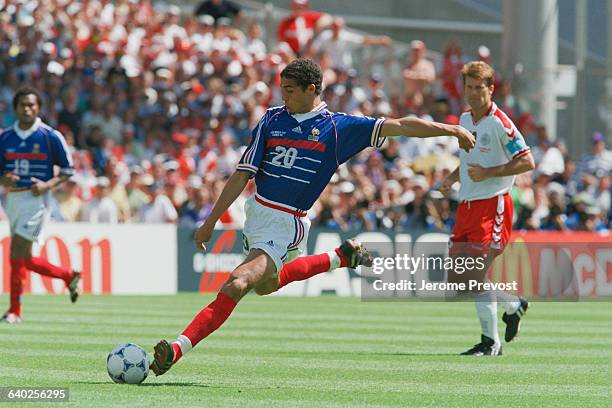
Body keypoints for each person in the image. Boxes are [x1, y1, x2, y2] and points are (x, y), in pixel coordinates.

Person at [149, 58, 476, 375]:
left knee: (237, 282)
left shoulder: (338, 128)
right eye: (282, 88)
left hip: (285, 223)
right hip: (256, 214)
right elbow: (241, 174)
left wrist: (451, 130)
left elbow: (401, 125)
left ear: (311, 89)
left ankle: (177, 349)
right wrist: (211, 221)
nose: (284, 95)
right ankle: (339, 258)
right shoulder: (271, 119)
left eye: (290, 89)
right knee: (265, 286)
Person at [439, 61, 535, 355]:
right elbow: (469, 161)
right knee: (460, 279)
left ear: (491, 89)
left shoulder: (500, 123)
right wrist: (452, 178)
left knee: (474, 274)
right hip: (466, 206)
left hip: (492, 204)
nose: (473, 93)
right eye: (469, 87)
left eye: (479, 87)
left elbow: (527, 161)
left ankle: (490, 342)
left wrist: (491, 174)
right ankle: (512, 304)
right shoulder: (466, 120)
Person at [0, 86, 80, 324]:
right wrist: (3, 179)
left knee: (16, 252)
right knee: (23, 258)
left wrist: (47, 185)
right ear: (15, 108)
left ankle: (15, 311)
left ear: (38, 108)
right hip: (13, 199)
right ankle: (68, 275)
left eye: (32, 105)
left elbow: (68, 171)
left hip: (37, 201)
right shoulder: (5, 138)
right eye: (23, 105)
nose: (27, 109)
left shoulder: (50, 136)